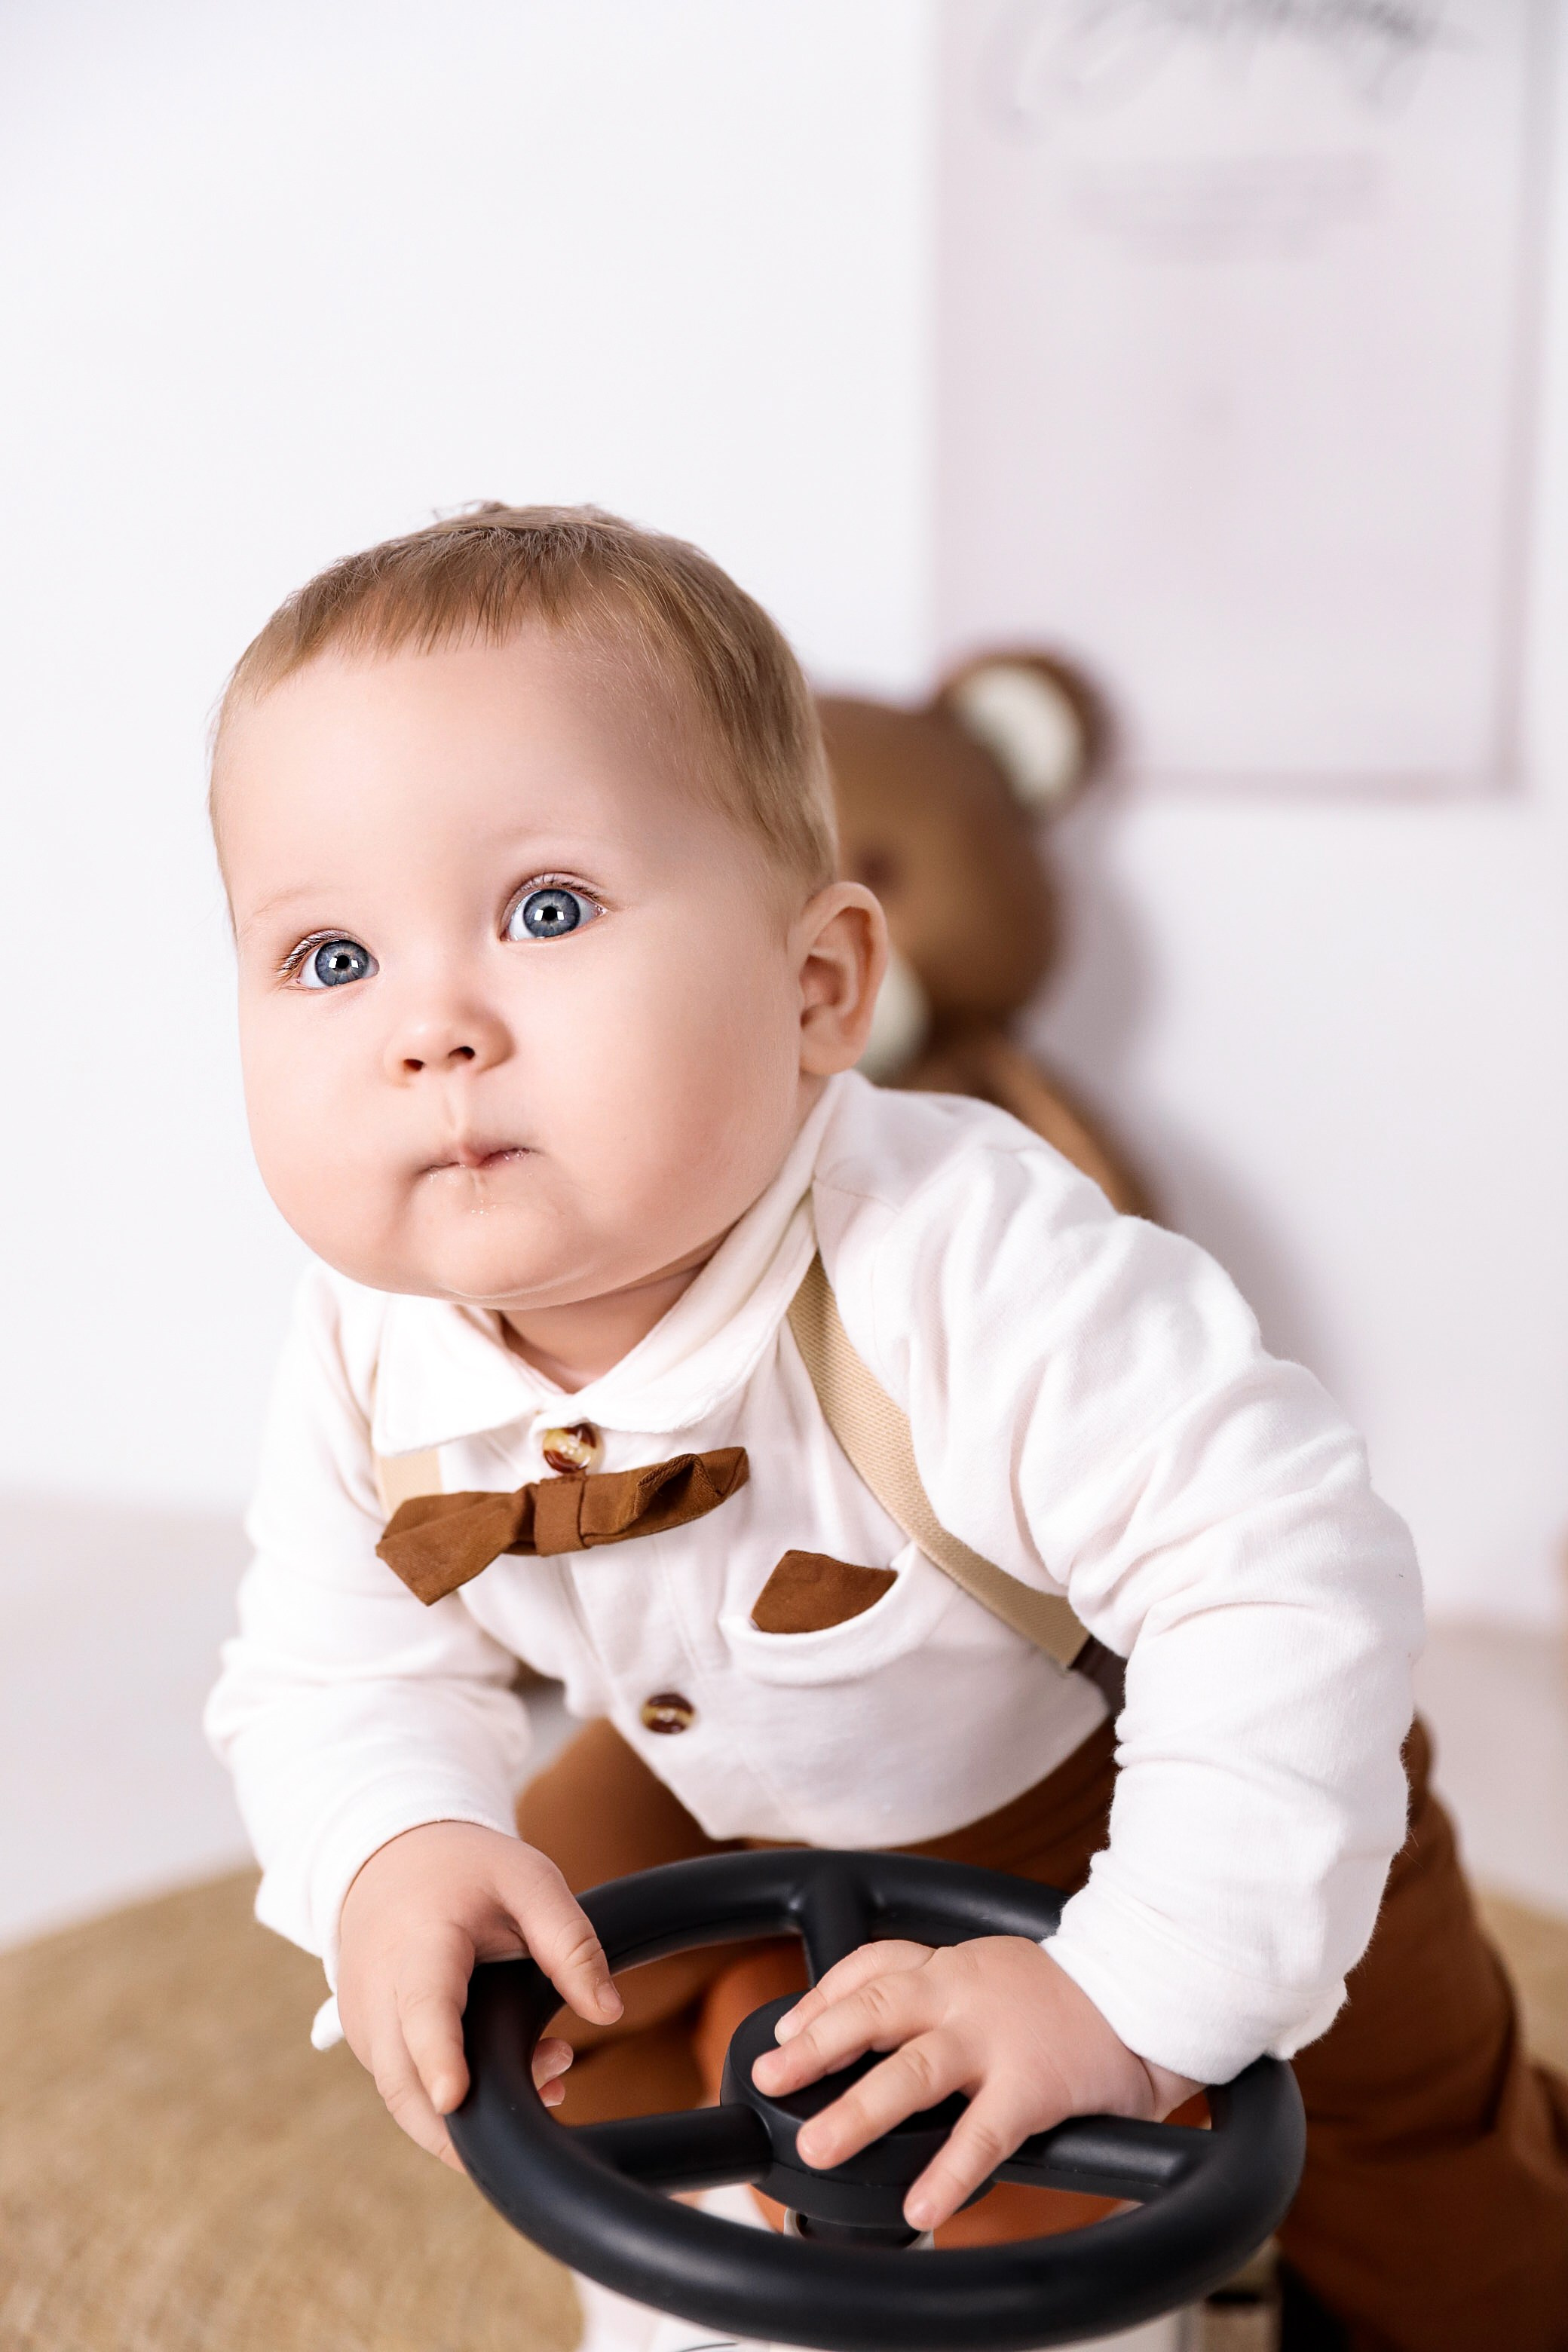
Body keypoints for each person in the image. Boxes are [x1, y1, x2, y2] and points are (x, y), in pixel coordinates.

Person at [205, 504, 1568, 2352]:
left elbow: (1282, 1583)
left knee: (1431, 2179)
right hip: (739, 1772)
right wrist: (387, 1842)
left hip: (1148, 1762)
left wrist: (1133, 1990)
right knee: (529, 1979)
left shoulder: (970, 1263)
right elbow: (329, 1664)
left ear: (816, 989)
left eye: (544, 910)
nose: (429, 1029)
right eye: (329, 958)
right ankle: (740, 2155)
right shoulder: (370, 1340)